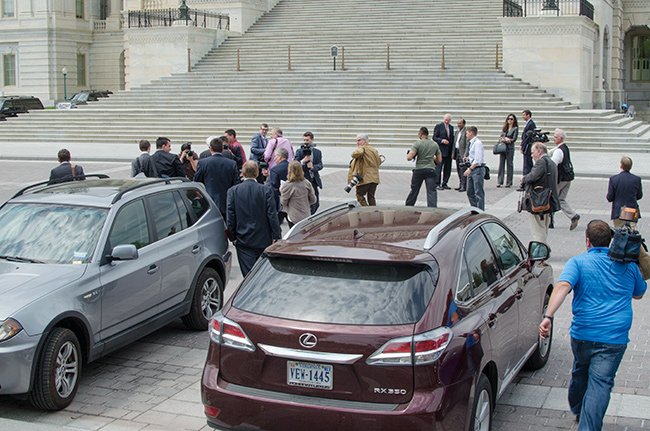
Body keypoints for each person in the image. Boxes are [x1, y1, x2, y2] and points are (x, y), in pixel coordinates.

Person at [538, 220, 646, 431]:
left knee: (580, 370)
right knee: (600, 383)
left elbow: (562, 286)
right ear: (610, 241)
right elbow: (639, 293)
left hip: (583, 335)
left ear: (587, 241)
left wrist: (548, 316)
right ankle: (586, 419)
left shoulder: (578, 262)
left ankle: (579, 410)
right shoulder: (629, 265)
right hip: (614, 339)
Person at [226, 161, 282, 277]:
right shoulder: (265, 190)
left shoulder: (233, 191)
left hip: (243, 239)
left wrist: (232, 237)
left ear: (242, 172)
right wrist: (276, 235)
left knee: (248, 276)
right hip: (263, 238)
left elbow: (231, 216)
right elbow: (272, 214)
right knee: (263, 273)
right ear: (257, 173)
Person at [607, 156, 649, 279]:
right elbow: (639, 195)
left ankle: (632, 262)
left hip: (619, 211)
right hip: (631, 211)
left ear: (621, 165)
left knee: (621, 237)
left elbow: (610, 197)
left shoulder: (614, 179)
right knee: (631, 234)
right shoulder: (636, 179)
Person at [521, 142, 560, 243]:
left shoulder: (541, 162)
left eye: (533, 152)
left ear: (539, 152)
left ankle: (540, 251)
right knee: (543, 228)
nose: (531, 155)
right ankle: (543, 248)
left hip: (539, 201)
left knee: (538, 230)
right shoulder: (550, 162)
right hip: (547, 200)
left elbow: (532, 176)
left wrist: (524, 178)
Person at [193, 136, 240, 219]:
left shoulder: (203, 163)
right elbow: (236, 183)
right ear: (222, 148)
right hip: (227, 201)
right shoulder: (231, 164)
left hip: (209, 202)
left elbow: (197, 181)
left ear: (210, 148)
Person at [549, 129, 580, 230]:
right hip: (568, 177)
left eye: (555, 137)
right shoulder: (563, 147)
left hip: (561, 179)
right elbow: (550, 152)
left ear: (561, 138)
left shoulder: (559, 151)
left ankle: (550, 221)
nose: (553, 138)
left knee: (553, 198)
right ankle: (573, 216)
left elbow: (553, 164)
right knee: (560, 199)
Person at [405, 126, 442, 207]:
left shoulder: (417, 143)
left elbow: (409, 158)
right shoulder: (434, 144)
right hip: (430, 169)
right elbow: (439, 160)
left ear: (421, 134)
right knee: (431, 190)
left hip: (419, 169)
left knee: (414, 189)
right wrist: (431, 157)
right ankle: (432, 208)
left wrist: (410, 153)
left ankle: (409, 205)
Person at [280, 161, 317, 228]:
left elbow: (283, 202)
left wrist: (281, 190)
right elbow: (313, 200)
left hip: (293, 216)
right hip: (306, 215)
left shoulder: (288, 185)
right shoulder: (306, 183)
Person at [348, 133, 382, 206]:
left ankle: (366, 211)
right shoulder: (374, 150)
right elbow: (379, 162)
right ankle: (373, 211)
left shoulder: (362, 148)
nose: (357, 143)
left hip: (365, 178)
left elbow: (354, 154)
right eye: (357, 141)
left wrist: (359, 148)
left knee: (359, 195)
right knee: (371, 197)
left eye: (359, 140)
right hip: (374, 178)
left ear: (364, 140)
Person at [294, 131, 323, 214]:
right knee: (306, 202)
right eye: (304, 140)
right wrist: (303, 161)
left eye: (307, 140)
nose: (305, 142)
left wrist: (313, 167)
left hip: (313, 180)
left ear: (312, 140)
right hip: (303, 180)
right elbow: (295, 164)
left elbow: (320, 165)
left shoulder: (317, 152)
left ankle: (311, 216)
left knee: (316, 203)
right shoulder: (299, 151)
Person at [463, 126, 485, 210]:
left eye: (467, 133)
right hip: (472, 168)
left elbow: (478, 159)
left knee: (478, 192)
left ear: (471, 133)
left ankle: (480, 210)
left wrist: (470, 169)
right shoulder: (472, 143)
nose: (466, 135)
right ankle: (475, 208)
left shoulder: (477, 143)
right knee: (470, 191)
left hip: (477, 169)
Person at [433, 114, 454, 190]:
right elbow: (434, 137)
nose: (446, 121)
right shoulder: (438, 126)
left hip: (448, 151)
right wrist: (442, 141)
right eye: (445, 120)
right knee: (438, 168)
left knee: (447, 168)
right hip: (441, 151)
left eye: (448, 120)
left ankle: (445, 183)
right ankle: (437, 183)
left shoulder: (451, 128)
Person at [269, 147, 290, 224]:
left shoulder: (274, 170)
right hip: (292, 201)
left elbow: (274, 189)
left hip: (280, 203)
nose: (274, 159)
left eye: (275, 156)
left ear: (280, 156)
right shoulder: (292, 167)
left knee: (277, 225)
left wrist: (274, 207)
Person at [497, 114, 518, 188]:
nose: (510, 120)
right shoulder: (505, 128)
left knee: (509, 164)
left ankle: (509, 181)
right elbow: (501, 136)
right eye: (509, 119)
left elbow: (514, 139)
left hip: (510, 148)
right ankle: (500, 181)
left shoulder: (515, 128)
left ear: (514, 120)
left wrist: (508, 140)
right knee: (501, 164)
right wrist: (505, 139)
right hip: (503, 147)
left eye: (511, 119)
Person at [517, 109, 536, 190]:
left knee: (527, 165)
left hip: (527, 147)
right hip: (526, 146)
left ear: (528, 115)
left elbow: (527, 137)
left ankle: (526, 183)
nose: (523, 117)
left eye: (524, 115)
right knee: (528, 164)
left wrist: (523, 146)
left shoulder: (531, 124)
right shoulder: (529, 123)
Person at [454, 118, 468, 192]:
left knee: (463, 169)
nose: (458, 125)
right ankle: (461, 184)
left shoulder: (466, 132)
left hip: (462, 153)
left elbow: (467, 144)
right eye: (458, 123)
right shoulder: (456, 132)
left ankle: (464, 185)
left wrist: (465, 155)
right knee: (458, 169)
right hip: (457, 152)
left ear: (464, 124)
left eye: (460, 123)